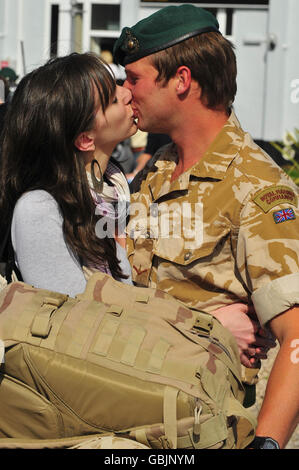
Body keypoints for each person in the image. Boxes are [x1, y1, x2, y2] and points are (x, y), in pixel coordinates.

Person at [113, 4, 299, 448]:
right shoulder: (159, 169)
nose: (125, 92)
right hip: (132, 413)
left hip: (201, 430)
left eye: (134, 78)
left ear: (181, 80)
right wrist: (205, 319)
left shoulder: (255, 186)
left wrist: (268, 443)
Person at [0, 53, 137, 297]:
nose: (127, 92)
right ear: (85, 139)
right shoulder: (41, 208)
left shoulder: (115, 191)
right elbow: (74, 317)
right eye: (113, 100)